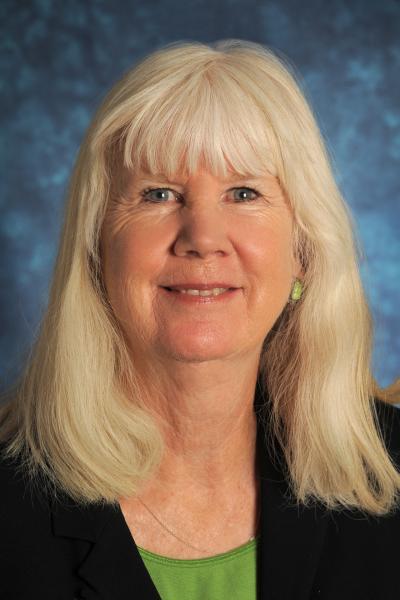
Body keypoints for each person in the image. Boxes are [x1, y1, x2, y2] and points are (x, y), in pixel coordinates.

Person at [0, 39, 399, 600]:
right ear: (96, 251)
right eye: (159, 193)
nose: (202, 238)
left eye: (244, 192)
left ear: (304, 251)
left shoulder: (389, 474)